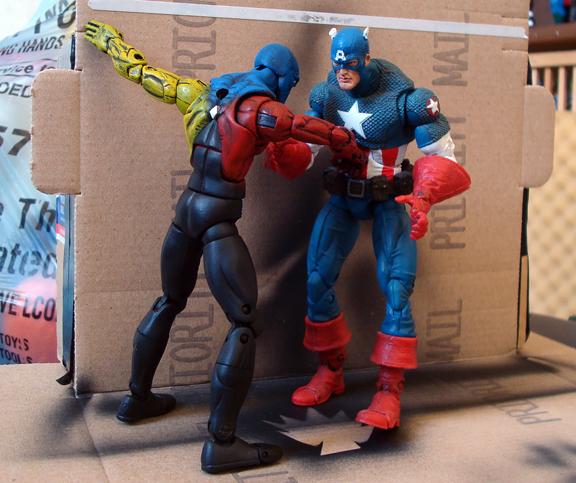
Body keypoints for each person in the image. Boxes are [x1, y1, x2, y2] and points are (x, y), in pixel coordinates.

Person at [84, 20, 365, 474]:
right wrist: (348, 143)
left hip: (185, 213)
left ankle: (136, 399)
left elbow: (142, 73)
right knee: (244, 321)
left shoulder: (201, 92)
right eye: (290, 84)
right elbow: (304, 127)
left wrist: (110, 41)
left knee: (169, 300)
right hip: (216, 220)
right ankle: (221, 443)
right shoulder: (263, 110)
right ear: (283, 79)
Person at [272, 26, 471, 430]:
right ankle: (330, 371)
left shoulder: (408, 100)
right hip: (344, 197)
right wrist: (280, 150)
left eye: (350, 64)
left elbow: (444, 157)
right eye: (337, 65)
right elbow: (306, 147)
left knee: (396, 288)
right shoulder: (327, 94)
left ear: (366, 58)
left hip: (389, 199)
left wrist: (424, 197)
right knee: (316, 278)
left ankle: (389, 388)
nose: (342, 71)